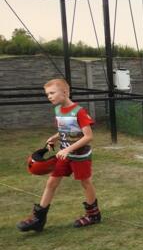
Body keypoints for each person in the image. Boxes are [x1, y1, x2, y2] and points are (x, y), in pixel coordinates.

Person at [17, 78, 100, 232]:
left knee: (85, 183)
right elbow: (66, 129)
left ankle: (93, 215)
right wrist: (55, 137)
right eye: (47, 94)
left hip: (80, 156)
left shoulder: (79, 112)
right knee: (51, 183)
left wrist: (68, 149)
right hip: (64, 155)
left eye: (52, 93)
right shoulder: (58, 110)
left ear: (65, 92)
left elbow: (88, 136)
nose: (49, 96)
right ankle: (38, 219)